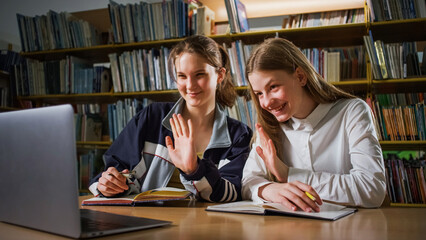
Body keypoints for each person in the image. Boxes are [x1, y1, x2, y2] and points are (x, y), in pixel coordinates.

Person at [89, 35, 252, 202]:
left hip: (207, 225)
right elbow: (113, 170)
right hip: (147, 221)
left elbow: (232, 194)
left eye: (199, 74)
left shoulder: (239, 134)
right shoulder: (151, 117)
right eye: (182, 76)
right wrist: (111, 184)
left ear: (220, 75)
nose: (190, 85)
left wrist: (194, 170)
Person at [242, 38, 386, 212]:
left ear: (301, 77)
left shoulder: (352, 111)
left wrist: (288, 174)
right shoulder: (269, 126)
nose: (266, 102)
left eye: (273, 87)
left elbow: (372, 189)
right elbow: (248, 182)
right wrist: (270, 190)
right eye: (259, 93)